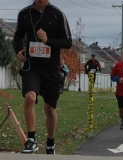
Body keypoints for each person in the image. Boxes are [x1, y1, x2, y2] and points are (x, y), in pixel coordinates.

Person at [14, 0, 72, 154]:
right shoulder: (24, 13)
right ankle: (31, 140)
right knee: (30, 97)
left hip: (52, 68)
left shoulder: (57, 14)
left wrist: (48, 40)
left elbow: (68, 42)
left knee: (50, 108)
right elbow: (18, 35)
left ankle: (50, 144)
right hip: (32, 65)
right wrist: (19, 50)